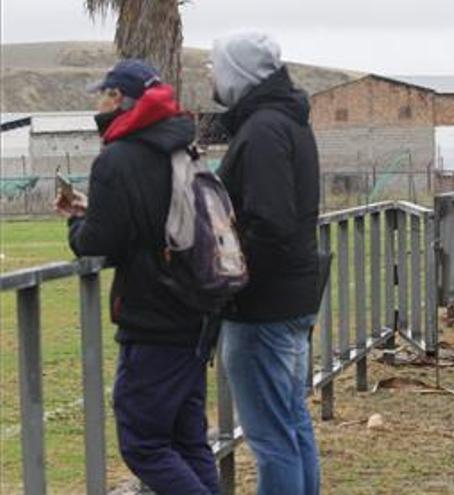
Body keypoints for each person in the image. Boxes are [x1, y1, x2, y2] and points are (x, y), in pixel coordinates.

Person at [55, 60, 220, 495]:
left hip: (154, 317)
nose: (98, 102)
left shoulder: (118, 158)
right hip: (195, 309)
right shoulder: (181, 147)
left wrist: (76, 222)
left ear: (117, 99)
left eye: (103, 93)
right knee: (188, 439)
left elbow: (98, 242)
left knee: (144, 444)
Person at [210, 32, 322, 495]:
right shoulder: (285, 122)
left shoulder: (262, 131)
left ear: (239, 74)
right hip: (289, 297)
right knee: (292, 423)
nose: (212, 77)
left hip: (262, 308)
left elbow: (269, 222)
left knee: (272, 436)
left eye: (217, 68)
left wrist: (227, 274)